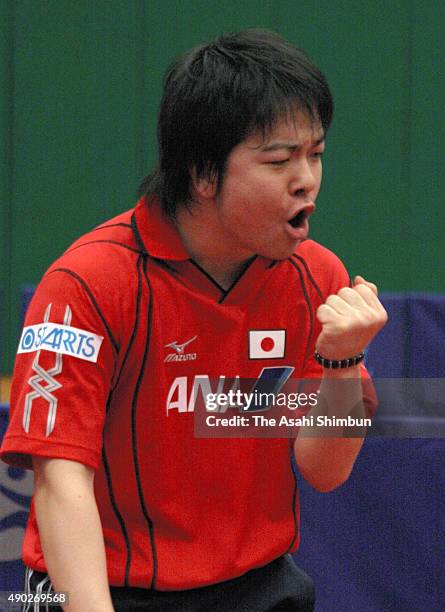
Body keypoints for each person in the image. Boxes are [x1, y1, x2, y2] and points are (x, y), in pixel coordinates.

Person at [0, 29, 387, 611]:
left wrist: (343, 362)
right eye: (279, 159)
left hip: (260, 587)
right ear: (203, 175)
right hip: (109, 589)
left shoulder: (316, 277)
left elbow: (324, 470)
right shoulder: (86, 285)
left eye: (316, 154)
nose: (306, 179)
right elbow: (60, 481)